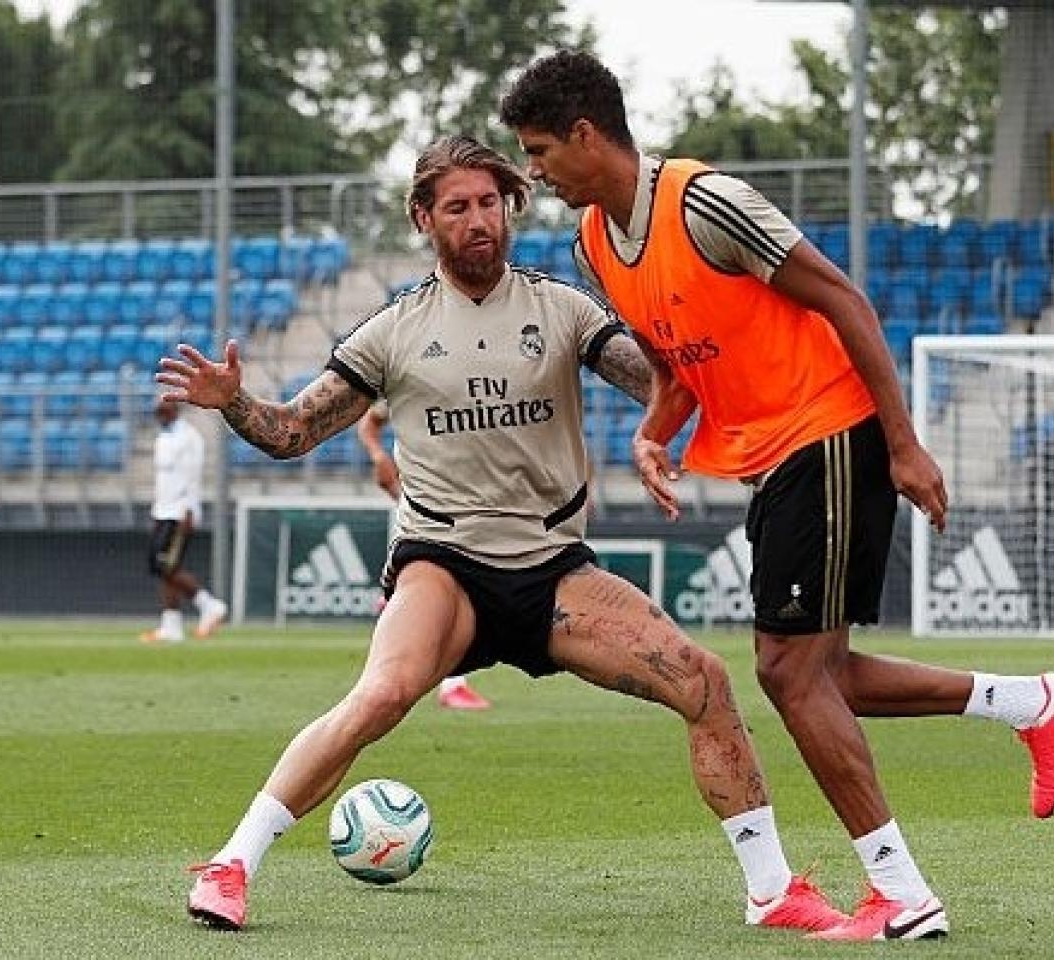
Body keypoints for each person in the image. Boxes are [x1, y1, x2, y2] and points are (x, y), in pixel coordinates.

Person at [162, 136, 847, 934]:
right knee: (380, 696)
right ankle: (232, 865)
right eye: (458, 206)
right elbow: (289, 434)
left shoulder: (561, 309)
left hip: (555, 569)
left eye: (490, 202)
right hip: (443, 564)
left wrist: (713, 392)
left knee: (702, 682)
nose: (479, 220)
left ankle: (772, 892)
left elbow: (662, 381)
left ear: (511, 206)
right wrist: (234, 402)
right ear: (425, 218)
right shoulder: (394, 330)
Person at [500, 50, 1054, 942]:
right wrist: (654, 430)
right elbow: (681, 361)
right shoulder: (593, 245)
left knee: (787, 671)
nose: (534, 172)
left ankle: (904, 894)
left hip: (834, 433)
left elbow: (848, 301)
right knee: (822, 673)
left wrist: (904, 443)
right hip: (774, 459)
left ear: (588, 135)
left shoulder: (705, 203)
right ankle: (1033, 703)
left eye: (541, 151)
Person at [356, 401, 489, 710]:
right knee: (451, 583)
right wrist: (379, 457)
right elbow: (369, 423)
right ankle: (451, 683)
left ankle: (396, 608)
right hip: (426, 492)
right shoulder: (415, 376)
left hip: (464, 493)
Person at [141, 397, 227, 643]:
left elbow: (192, 477)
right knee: (162, 568)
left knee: (168, 566)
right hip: (163, 511)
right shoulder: (163, 439)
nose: (159, 413)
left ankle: (209, 605)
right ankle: (172, 625)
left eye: (163, 409)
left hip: (179, 512)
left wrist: (187, 510)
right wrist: (156, 511)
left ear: (174, 409)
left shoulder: (189, 438)